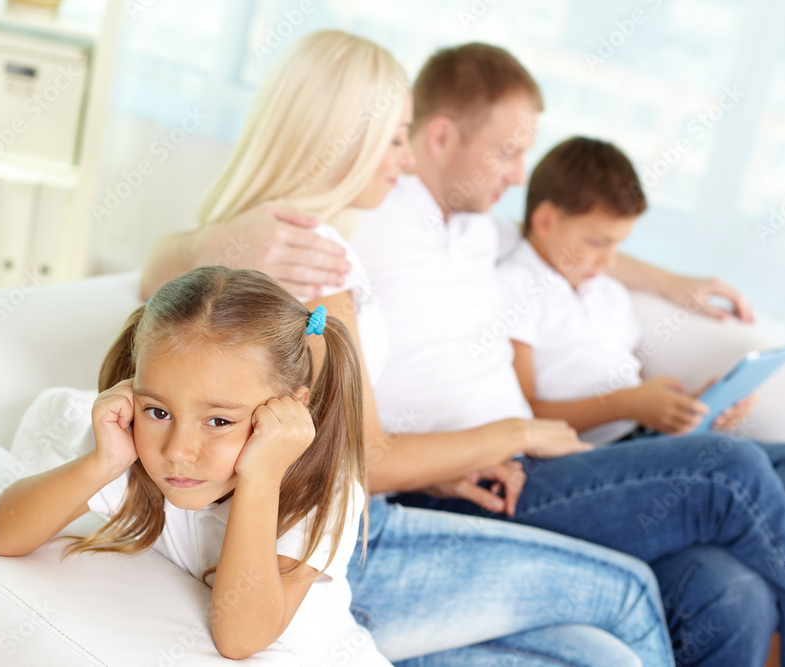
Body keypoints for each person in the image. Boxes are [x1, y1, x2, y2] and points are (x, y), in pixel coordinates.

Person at [81, 30, 681, 666]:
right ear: (346, 143)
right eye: (396, 138)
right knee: (629, 593)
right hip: (360, 539)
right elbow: (363, 459)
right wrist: (517, 432)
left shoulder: (255, 241)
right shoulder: (316, 265)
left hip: (352, 530)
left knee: (599, 655)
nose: (409, 158)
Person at [342, 43, 785, 667]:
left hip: (540, 460)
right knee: (731, 469)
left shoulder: (476, 227)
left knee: (736, 578)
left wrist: (672, 283)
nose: (519, 175)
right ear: (442, 137)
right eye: (506, 152)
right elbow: (276, 221)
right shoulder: (366, 219)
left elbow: (568, 241)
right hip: (469, 487)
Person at [497, 136, 785, 665]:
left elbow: (630, 380)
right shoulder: (514, 287)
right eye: (596, 241)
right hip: (583, 459)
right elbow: (526, 413)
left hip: (644, 439)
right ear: (544, 220)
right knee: (735, 583)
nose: (609, 259)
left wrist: (690, 408)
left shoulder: (605, 290)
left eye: (618, 244)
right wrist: (630, 404)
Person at [0, 266, 390, 663]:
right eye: (158, 412)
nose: (178, 451)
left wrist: (261, 477)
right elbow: (2, 537)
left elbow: (241, 639)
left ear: (289, 412)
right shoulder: (129, 447)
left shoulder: (325, 490)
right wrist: (103, 462)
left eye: (219, 421)